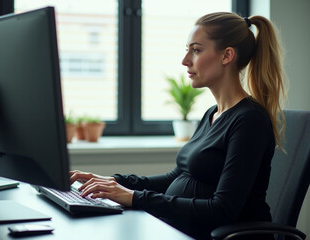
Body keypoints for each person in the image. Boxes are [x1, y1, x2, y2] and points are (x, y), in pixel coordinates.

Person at [70, 12, 286, 240]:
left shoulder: (250, 120)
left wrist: (134, 197)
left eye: (196, 50)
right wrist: (113, 183)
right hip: (182, 229)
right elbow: (175, 178)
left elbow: (222, 209)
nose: (185, 60)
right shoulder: (213, 114)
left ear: (227, 55)